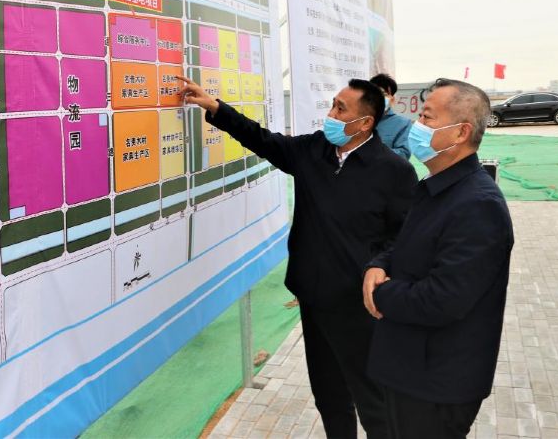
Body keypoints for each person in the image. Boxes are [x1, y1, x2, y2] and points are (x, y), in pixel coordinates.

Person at [179, 76, 417, 439]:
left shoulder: (393, 171)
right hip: (313, 296)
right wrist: (215, 108)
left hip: (357, 305)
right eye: (333, 104)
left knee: (371, 398)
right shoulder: (314, 150)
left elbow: (404, 236)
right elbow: (263, 140)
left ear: (365, 122)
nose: (331, 114)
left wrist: (380, 266)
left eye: (341, 109)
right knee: (328, 393)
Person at [363, 78, 514, 439]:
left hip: (435, 385)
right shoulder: (436, 187)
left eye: (427, 118)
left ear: (461, 132)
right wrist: (378, 265)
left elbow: (443, 299)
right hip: (409, 368)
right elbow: (408, 243)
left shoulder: (478, 204)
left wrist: (379, 294)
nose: (416, 126)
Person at [369, 73, 412, 160]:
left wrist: (373, 152)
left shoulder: (403, 123)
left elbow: (404, 153)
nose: (379, 98)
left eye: (384, 94)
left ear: (392, 98)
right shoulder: (360, 120)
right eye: (376, 93)